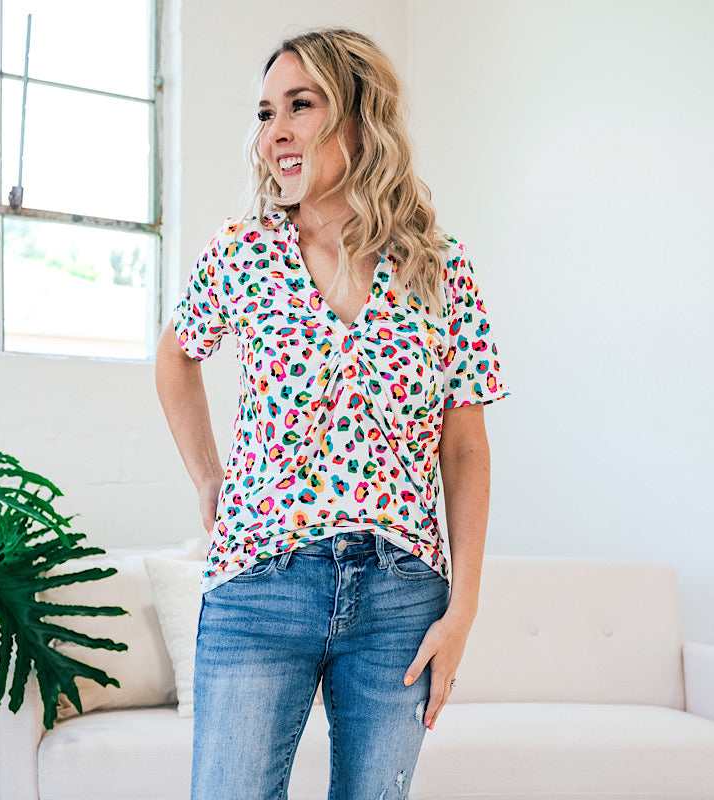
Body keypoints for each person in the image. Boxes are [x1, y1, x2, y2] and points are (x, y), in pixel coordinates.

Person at [155, 27, 508, 800]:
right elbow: (175, 355)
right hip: (259, 580)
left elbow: (466, 449)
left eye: (300, 105)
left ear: (358, 114)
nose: (276, 131)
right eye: (265, 113)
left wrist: (464, 609)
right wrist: (209, 477)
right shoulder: (242, 250)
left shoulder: (439, 266)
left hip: (401, 593)